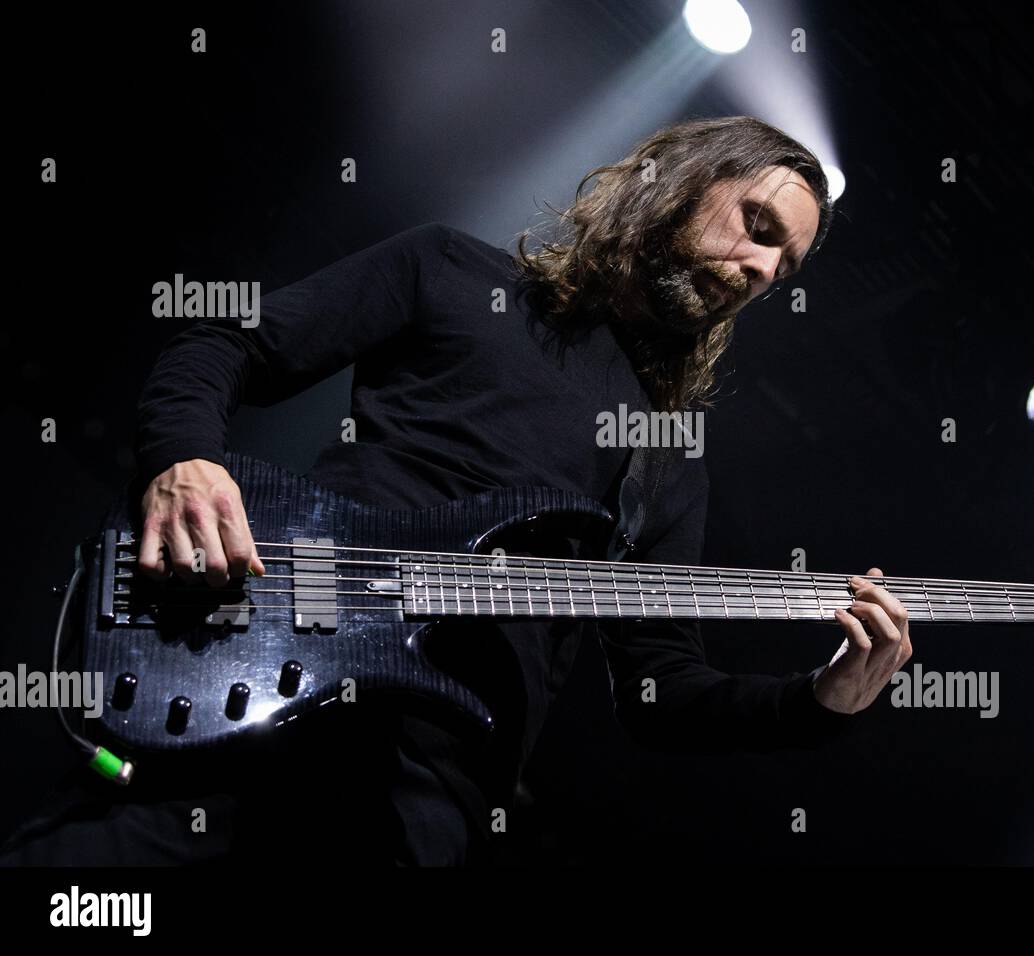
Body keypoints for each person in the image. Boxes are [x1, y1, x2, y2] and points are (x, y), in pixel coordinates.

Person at [0, 116, 912, 866]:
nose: (759, 272)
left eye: (782, 270)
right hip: (236, 696)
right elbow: (224, 340)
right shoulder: (450, 271)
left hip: (419, 801)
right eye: (758, 226)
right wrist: (182, 459)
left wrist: (816, 700)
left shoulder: (665, 459)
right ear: (673, 177)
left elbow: (660, 690)